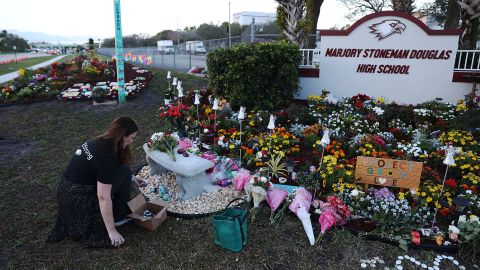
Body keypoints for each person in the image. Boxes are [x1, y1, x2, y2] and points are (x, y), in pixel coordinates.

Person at [47, 116, 146, 248]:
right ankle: (118, 217)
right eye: (132, 138)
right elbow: (103, 197)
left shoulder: (99, 142)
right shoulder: (106, 157)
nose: (132, 142)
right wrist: (111, 231)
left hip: (65, 190)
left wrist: (132, 178)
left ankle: (120, 208)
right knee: (124, 172)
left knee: (125, 172)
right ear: (123, 136)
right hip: (79, 199)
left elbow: (104, 170)